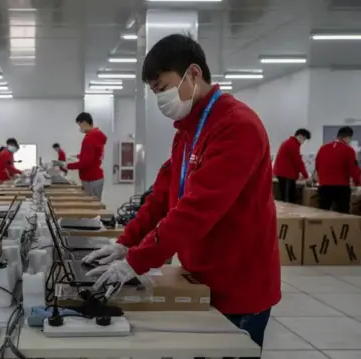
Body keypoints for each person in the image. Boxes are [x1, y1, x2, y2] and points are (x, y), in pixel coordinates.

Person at [83, 34, 280, 358]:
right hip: (198, 277)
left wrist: (136, 261)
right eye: (155, 92)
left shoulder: (237, 126)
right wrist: (124, 243)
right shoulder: (189, 130)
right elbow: (161, 197)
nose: (160, 99)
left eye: (163, 88)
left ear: (193, 74)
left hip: (239, 284)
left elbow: (196, 210)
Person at [315, 126, 361, 213]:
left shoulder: (323, 148)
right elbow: (353, 169)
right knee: (342, 214)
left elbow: (317, 165)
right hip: (341, 187)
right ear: (348, 137)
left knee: (323, 212)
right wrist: (357, 183)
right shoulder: (349, 150)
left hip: (324, 186)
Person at [66, 112, 107, 200]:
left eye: (80, 125)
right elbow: (92, 155)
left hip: (91, 179)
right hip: (95, 177)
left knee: (92, 208)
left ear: (84, 123)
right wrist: (77, 156)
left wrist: (67, 166)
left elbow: (85, 163)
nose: (80, 128)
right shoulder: (97, 135)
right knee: (95, 206)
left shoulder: (90, 138)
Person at [273, 129, 311, 203]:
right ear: (300, 136)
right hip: (286, 175)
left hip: (282, 174)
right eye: (304, 138)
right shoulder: (293, 145)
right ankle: (289, 214)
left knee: (286, 197)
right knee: (288, 199)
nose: (304, 141)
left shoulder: (288, 142)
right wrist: (306, 176)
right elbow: (298, 162)